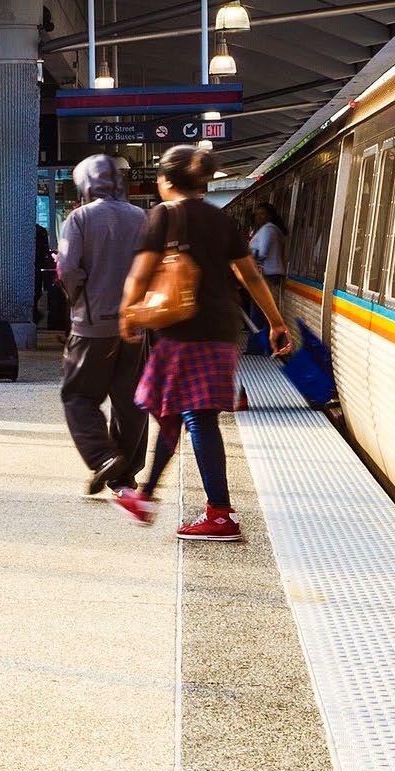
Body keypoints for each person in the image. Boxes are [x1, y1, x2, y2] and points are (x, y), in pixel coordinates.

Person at [115, 146, 291, 540]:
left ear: (166, 180)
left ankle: (220, 515)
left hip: (184, 333)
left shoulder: (164, 215)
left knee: (197, 416)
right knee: (176, 412)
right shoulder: (220, 219)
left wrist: (127, 313)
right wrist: (275, 321)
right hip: (221, 331)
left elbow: (140, 274)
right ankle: (145, 496)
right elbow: (250, 275)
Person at [57, 155, 149, 495]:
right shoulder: (141, 217)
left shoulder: (79, 218)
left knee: (78, 395)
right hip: (135, 325)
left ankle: (103, 457)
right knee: (131, 400)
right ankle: (125, 474)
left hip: (92, 324)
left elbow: (68, 269)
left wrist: (78, 300)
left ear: (85, 184)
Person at [249, 201, 288, 312]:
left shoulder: (267, 229)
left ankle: (258, 324)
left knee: (258, 306)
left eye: (262, 214)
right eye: (257, 214)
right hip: (272, 272)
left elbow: (262, 252)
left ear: (270, 215)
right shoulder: (274, 229)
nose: (259, 217)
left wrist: (247, 254)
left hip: (266, 273)